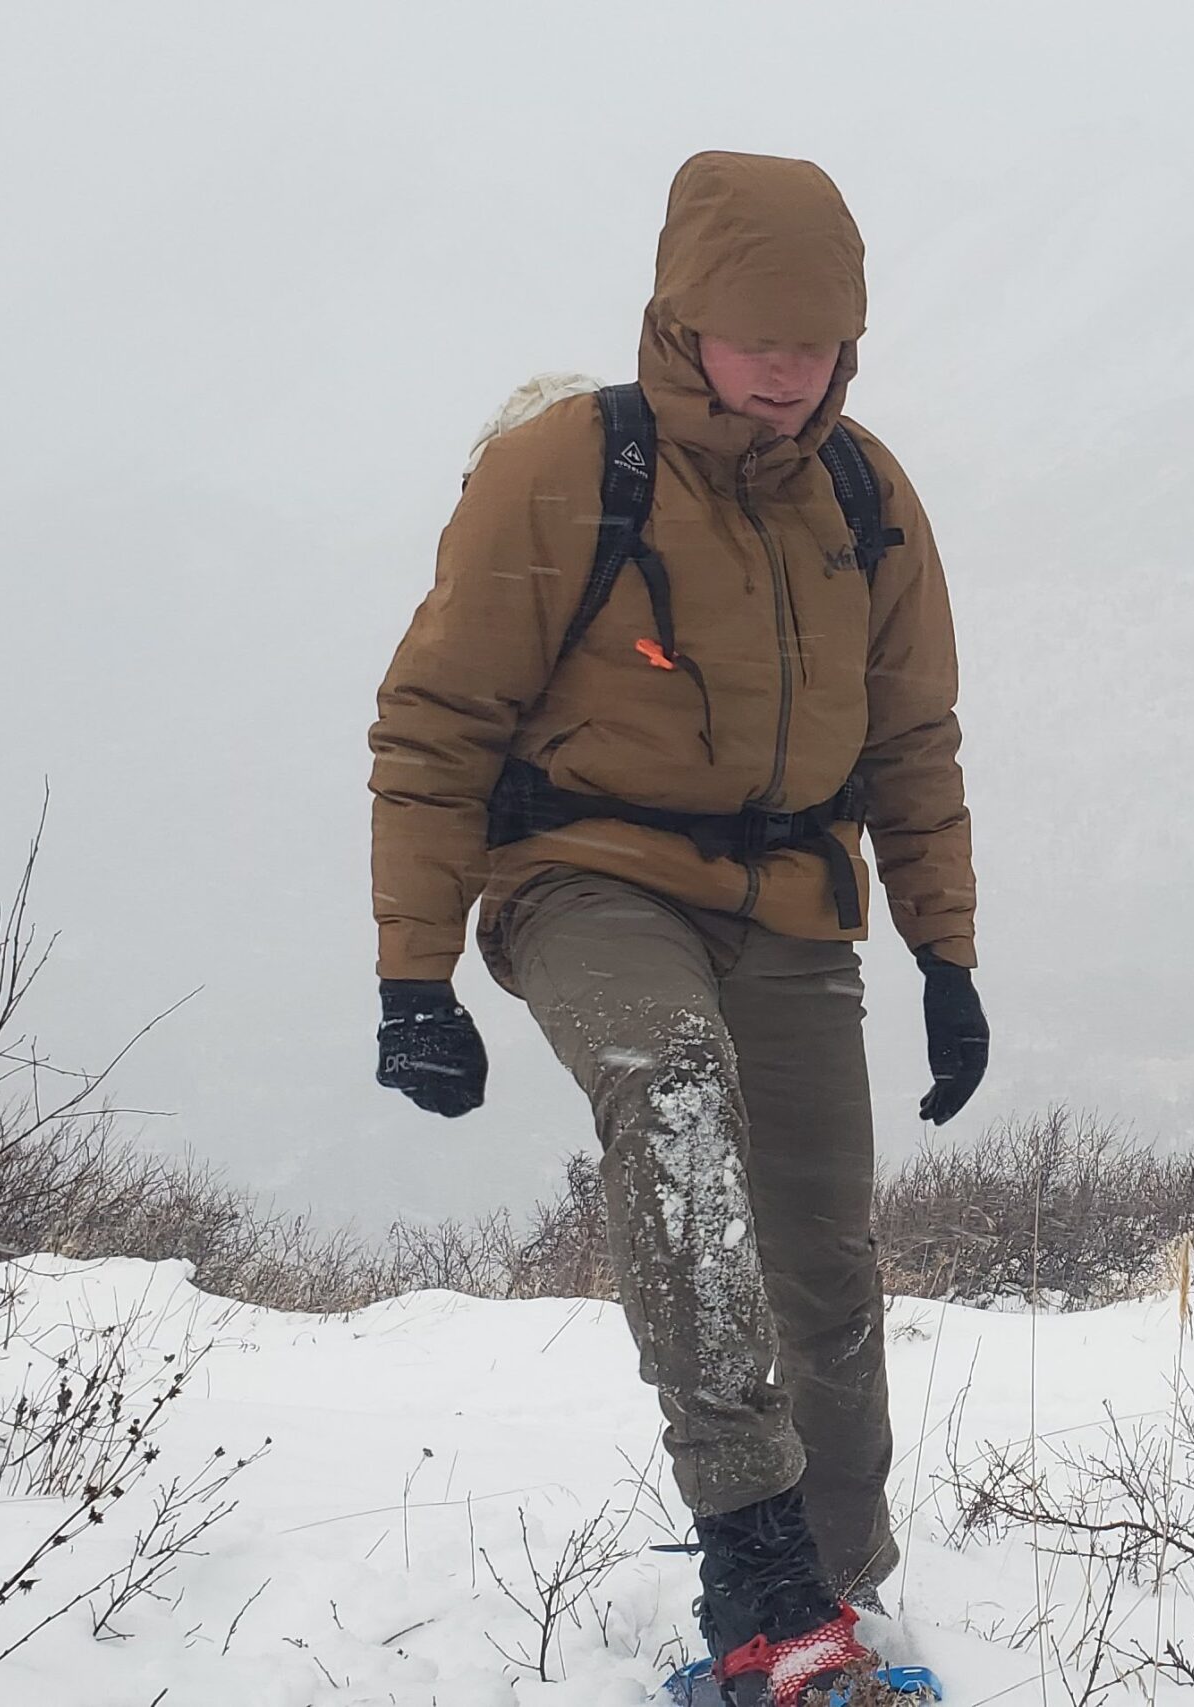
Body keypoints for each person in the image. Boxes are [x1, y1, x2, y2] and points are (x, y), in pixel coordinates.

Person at [368, 150, 987, 1707]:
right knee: (676, 1096)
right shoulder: (570, 467)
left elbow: (913, 743)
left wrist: (949, 957)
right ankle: (755, 1562)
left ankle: (835, 1603)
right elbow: (437, 722)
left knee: (824, 1261)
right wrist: (412, 976)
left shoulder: (868, 493)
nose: (786, 374)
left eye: (817, 344)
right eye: (755, 339)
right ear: (682, 321)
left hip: (790, 906)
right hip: (587, 881)